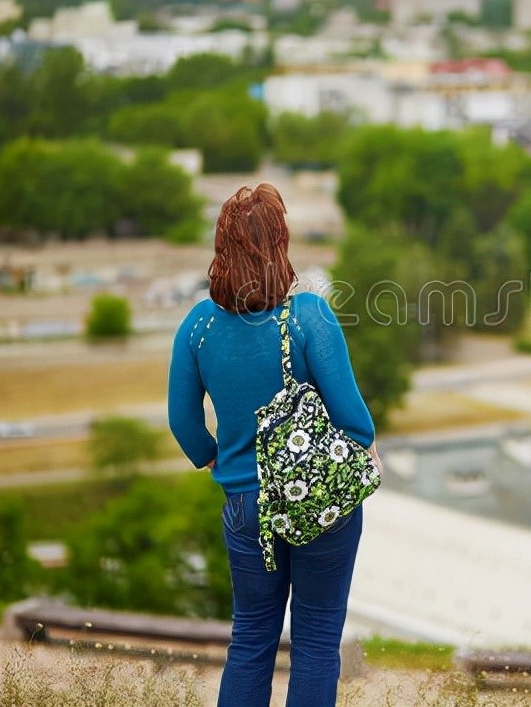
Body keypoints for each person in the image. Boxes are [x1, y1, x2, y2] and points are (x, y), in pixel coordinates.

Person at [168, 182, 379, 706]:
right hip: (318, 508)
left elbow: (183, 422)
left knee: (252, 640)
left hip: (245, 506)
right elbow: (356, 424)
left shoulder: (196, 327)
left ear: (221, 246)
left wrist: (216, 458)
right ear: (279, 243)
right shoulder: (309, 316)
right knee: (315, 642)